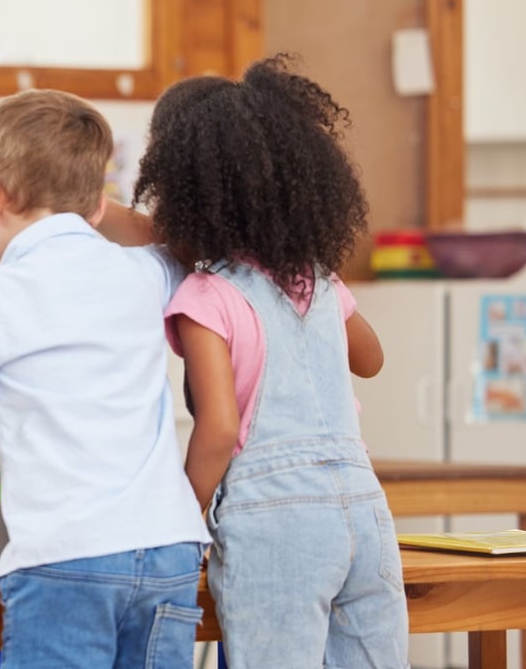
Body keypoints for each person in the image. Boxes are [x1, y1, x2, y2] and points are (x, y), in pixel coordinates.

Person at [0, 89, 211, 668]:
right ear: (98, 204)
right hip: (169, 548)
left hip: (68, 557)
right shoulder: (145, 272)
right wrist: (86, 204)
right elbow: (184, 247)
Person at [140, 55, 408, 667]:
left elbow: (219, 429)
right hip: (363, 508)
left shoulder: (206, 297)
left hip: (276, 517)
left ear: (182, 192)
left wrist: (179, 519)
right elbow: (371, 358)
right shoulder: (317, 279)